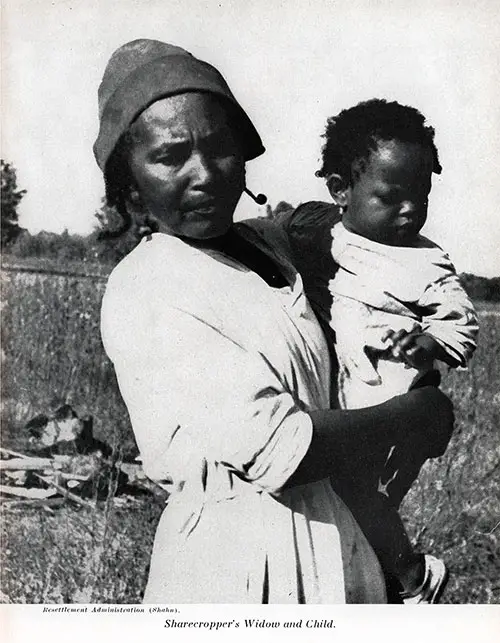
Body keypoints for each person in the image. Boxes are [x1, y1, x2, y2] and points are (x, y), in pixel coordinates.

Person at [96, 41, 454, 603]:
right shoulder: (148, 286)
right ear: (128, 181)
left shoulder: (270, 246)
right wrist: (414, 414)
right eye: (171, 157)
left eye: (221, 147)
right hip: (240, 567)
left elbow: (336, 230)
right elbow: (283, 448)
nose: (206, 174)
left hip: (342, 544)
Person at [283, 98, 478, 603]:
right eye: (391, 197)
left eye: (422, 195)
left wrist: (428, 342)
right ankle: (385, 580)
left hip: (398, 408)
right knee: (345, 498)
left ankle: (412, 578)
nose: (410, 209)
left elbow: (462, 327)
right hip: (347, 396)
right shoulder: (323, 236)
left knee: (359, 496)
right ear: (340, 190)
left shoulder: (426, 262)